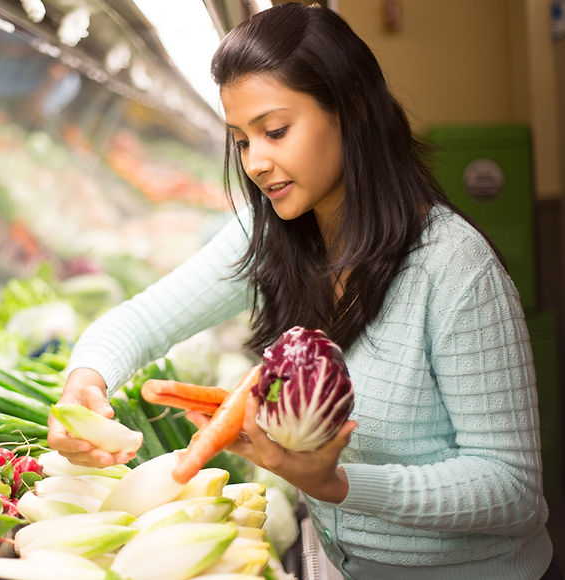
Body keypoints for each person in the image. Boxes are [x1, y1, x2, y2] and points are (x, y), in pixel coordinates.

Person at [47, 3, 559, 580]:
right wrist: (84, 385)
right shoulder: (274, 234)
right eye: (241, 140)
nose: (256, 163)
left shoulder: (454, 268)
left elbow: (512, 490)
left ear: (352, 111)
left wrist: (336, 484)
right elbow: (139, 321)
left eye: (275, 131)